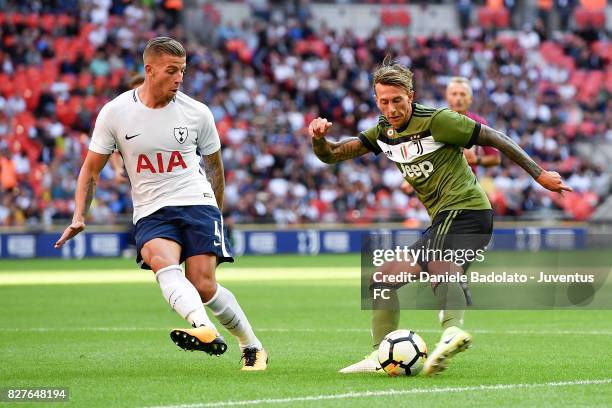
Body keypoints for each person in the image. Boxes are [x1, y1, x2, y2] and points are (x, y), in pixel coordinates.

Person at [308, 59, 570, 375]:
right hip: (445, 218)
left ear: (411, 95)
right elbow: (334, 154)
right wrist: (318, 139)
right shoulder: (383, 131)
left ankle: (452, 331)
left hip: (467, 211)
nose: (391, 108)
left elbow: (494, 137)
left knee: (440, 265)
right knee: (382, 281)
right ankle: (380, 355)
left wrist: (539, 174)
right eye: (384, 101)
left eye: (397, 100)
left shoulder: (438, 121)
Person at [55, 37, 267, 371]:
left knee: (204, 285)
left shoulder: (197, 113)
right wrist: (79, 214)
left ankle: (251, 345)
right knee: (162, 264)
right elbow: (91, 170)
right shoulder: (115, 113)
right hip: (151, 209)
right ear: (149, 70)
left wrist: (218, 214)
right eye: (171, 71)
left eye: (182, 70)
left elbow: (215, 168)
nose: (179, 78)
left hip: (197, 201)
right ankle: (203, 327)